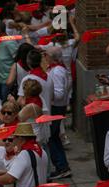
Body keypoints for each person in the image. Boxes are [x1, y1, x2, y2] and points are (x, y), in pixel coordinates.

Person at [45, 46, 72, 180]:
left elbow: (60, 94)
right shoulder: (58, 70)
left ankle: (61, 166)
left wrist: (46, 95)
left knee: (51, 137)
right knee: (54, 137)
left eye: (47, 55)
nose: (45, 57)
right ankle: (62, 166)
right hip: (57, 107)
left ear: (52, 57)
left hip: (56, 108)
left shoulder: (57, 72)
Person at [17, 49, 53, 116]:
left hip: (33, 120)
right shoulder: (49, 77)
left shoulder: (27, 79)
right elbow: (52, 97)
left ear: (28, 62)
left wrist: (12, 101)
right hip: (47, 118)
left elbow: (20, 101)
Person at [0, 20, 18, 101]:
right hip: (1, 81)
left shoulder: (9, 42)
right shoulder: (0, 42)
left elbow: (17, 59)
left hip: (8, 82)